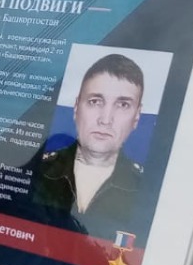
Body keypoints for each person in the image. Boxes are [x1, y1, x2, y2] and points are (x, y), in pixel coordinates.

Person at [30, 52, 146, 238]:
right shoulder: (41, 168)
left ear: (137, 116)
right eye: (95, 101)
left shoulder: (143, 186)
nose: (105, 119)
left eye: (123, 105)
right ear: (77, 107)